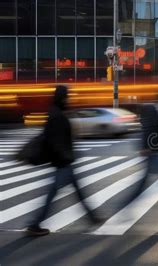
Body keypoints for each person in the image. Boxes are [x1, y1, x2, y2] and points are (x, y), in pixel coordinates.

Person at [26, 85, 101, 236]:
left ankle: (92, 217)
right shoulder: (57, 115)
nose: (69, 98)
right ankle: (35, 224)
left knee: (76, 191)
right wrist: (65, 155)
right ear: (62, 97)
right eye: (67, 96)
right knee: (54, 194)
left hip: (64, 161)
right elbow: (56, 139)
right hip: (63, 162)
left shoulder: (56, 112)